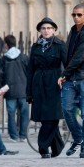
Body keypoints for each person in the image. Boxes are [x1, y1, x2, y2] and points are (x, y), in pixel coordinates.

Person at [58, 3, 84, 158]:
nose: (76, 17)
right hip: (71, 77)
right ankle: (78, 137)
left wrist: (63, 74)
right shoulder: (74, 30)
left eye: (79, 15)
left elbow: (79, 56)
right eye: (73, 14)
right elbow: (68, 54)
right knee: (67, 109)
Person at [27, 17, 67, 158]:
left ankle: (43, 147)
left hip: (54, 84)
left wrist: (65, 78)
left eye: (49, 28)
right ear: (39, 30)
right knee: (45, 118)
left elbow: (68, 65)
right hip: (38, 84)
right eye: (43, 28)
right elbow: (30, 69)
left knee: (53, 117)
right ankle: (58, 146)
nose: (46, 30)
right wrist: (29, 92)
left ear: (54, 30)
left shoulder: (60, 45)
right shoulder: (35, 46)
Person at [0, 35, 29, 142]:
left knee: (11, 114)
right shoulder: (24, 57)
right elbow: (29, 73)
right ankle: (23, 135)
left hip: (9, 89)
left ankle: (13, 136)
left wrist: (1, 87)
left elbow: (1, 75)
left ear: (6, 45)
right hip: (23, 89)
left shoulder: (4, 58)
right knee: (24, 113)